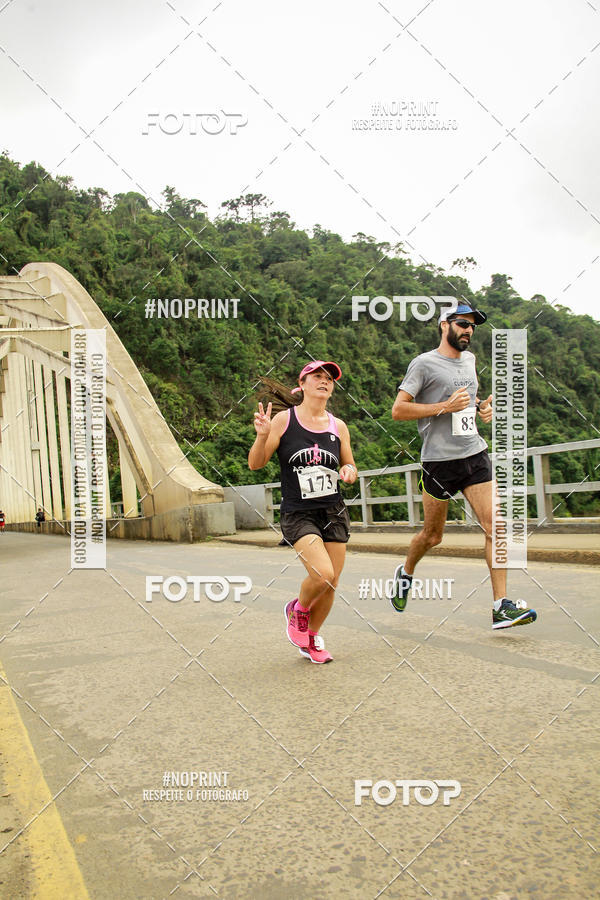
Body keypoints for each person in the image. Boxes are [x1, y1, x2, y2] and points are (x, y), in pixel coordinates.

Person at [390, 304, 537, 630]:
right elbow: (398, 411)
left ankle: (501, 606)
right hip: (438, 462)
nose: (468, 330)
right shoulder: (424, 364)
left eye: (472, 326)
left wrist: (481, 408)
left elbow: (467, 401)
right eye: (462, 324)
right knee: (432, 536)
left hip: (474, 454)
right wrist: (443, 407)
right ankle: (406, 573)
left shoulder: (470, 361)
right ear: (444, 325)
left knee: (495, 526)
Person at [248, 361, 358, 663]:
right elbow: (255, 464)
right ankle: (298, 610)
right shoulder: (284, 420)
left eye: (329, 379)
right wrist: (262, 435)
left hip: (333, 510)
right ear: (303, 383)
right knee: (322, 574)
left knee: (332, 582)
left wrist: (349, 470)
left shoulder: (339, 426)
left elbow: (349, 463)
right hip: (299, 513)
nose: (324, 382)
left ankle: (311, 638)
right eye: (317, 377)